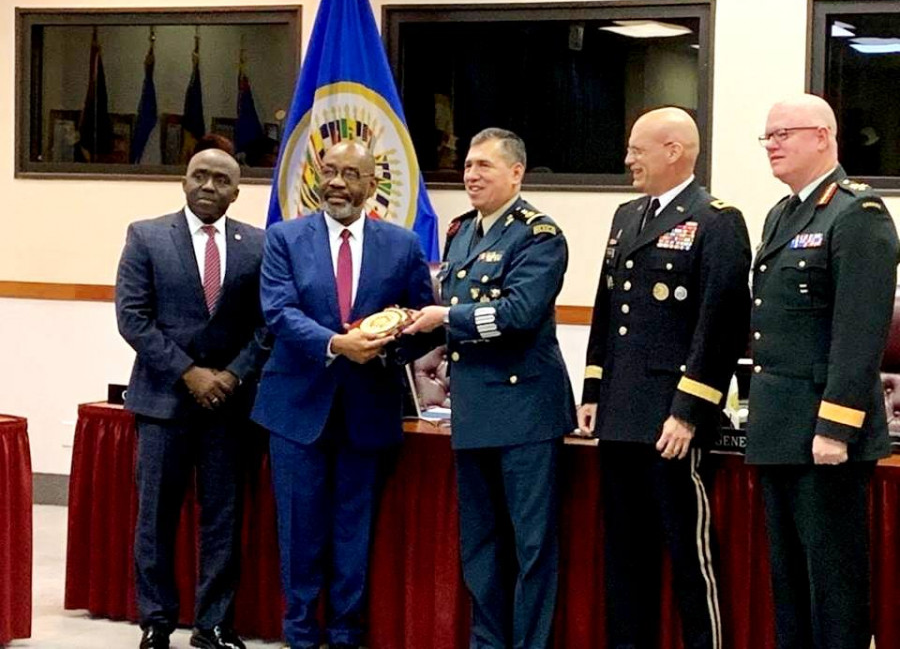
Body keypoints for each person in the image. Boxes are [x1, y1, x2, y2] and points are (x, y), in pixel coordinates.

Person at [576, 107, 751, 649]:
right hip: (622, 413)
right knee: (625, 554)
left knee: (688, 554)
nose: (627, 159)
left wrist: (687, 411)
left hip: (672, 420)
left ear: (673, 151)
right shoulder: (628, 215)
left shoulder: (717, 219)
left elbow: (719, 326)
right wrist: (594, 391)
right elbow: (608, 312)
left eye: (636, 149)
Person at [250, 140, 435, 649]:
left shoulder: (402, 245)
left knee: (354, 534)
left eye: (351, 173)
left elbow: (421, 322)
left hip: (368, 411)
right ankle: (301, 634)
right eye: (328, 170)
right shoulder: (285, 238)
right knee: (298, 532)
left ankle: (347, 633)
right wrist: (337, 344)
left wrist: (384, 348)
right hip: (296, 409)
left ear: (372, 185)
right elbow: (279, 313)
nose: (336, 182)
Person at [403, 127, 574, 649]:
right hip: (473, 408)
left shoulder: (539, 235)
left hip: (525, 411)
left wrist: (443, 316)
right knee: (479, 545)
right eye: (469, 165)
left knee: (531, 547)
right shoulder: (460, 232)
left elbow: (520, 314)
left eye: (485, 166)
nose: (471, 175)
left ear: (516, 172)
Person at [748, 94, 899, 649]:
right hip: (779, 428)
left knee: (833, 590)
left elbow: (859, 334)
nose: (773, 145)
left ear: (824, 136)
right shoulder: (782, 214)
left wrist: (835, 427)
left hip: (823, 436)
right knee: (789, 588)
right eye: (767, 136)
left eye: (784, 133)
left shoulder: (857, 214)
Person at [115, 148, 270, 649]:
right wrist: (189, 373)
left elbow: (268, 324)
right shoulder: (147, 235)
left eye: (221, 179)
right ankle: (156, 622)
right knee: (156, 518)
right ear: (184, 182)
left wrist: (232, 374)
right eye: (199, 176)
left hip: (230, 406)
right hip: (163, 403)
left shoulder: (259, 245)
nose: (208, 186)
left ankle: (214, 624)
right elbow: (133, 318)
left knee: (223, 518)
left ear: (236, 191)